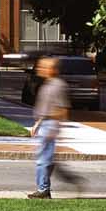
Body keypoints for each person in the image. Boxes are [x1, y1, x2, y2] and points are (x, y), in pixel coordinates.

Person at [28, 56, 78, 198]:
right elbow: (46, 107)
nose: (39, 69)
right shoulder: (47, 84)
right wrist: (37, 124)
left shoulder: (58, 85)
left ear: (52, 70)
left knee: (43, 160)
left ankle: (43, 190)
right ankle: (44, 188)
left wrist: (55, 129)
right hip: (44, 124)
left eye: (43, 67)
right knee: (43, 160)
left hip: (50, 125)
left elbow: (62, 109)